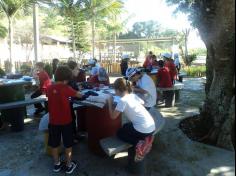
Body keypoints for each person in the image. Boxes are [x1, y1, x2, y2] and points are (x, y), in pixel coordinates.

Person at [107, 78, 156, 163]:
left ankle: (140, 143)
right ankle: (146, 139)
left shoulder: (122, 101)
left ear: (118, 90)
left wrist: (110, 103)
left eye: (114, 90)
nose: (114, 92)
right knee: (125, 126)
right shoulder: (133, 95)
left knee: (119, 133)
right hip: (151, 126)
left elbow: (112, 117)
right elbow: (143, 102)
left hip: (143, 130)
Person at [46, 66, 84, 174]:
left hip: (53, 122)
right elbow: (79, 95)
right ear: (66, 79)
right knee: (68, 144)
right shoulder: (66, 88)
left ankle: (56, 164)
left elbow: (52, 94)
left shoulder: (49, 88)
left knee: (54, 143)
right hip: (66, 122)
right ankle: (68, 165)